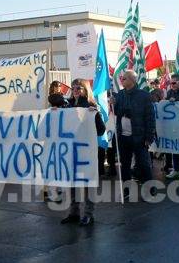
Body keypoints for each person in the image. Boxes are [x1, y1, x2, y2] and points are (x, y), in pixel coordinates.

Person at [61, 79, 106, 226]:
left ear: (85, 90)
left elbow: (101, 130)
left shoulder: (91, 106)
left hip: (86, 151)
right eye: (73, 87)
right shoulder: (66, 106)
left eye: (78, 88)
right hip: (71, 150)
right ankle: (74, 212)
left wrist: (95, 116)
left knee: (88, 183)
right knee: (72, 182)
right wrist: (55, 113)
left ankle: (88, 214)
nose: (75, 90)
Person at [112, 70, 155, 185]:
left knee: (144, 164)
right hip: (123, 136)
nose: (122, 80)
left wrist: (149, 137)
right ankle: (126, 189)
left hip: (139, 136)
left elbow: (150, 118)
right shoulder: (120, 94)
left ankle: (150, 189)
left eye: (124, 78)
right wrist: (113, 104)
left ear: (132, 80)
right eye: (122, 78)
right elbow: (116, 112)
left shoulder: (144, 95)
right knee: (125, 164)